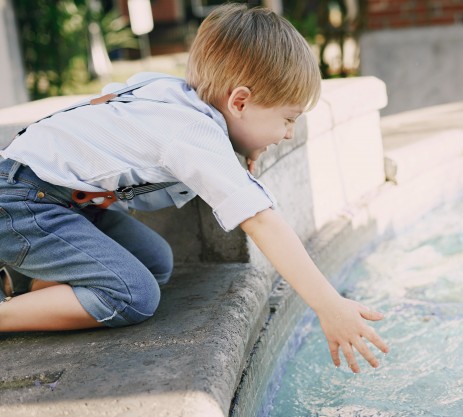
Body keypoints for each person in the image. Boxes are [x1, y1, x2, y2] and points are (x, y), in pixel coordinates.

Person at [0, 4, 388, 373]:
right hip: (23, 200)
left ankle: (28, 281)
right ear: (239, 101)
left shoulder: (172, 95)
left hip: (51, 197)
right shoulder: (193, 132)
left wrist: (243, 143)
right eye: (287, 119)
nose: (288, 134)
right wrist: (328, 305)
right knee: (134, 296)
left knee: (156, 261)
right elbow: (262, 222)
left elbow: (108, 102)